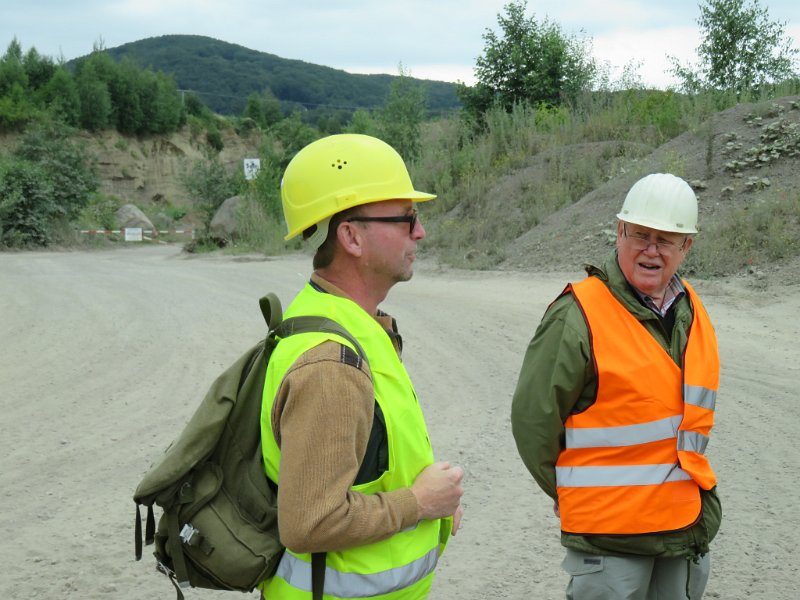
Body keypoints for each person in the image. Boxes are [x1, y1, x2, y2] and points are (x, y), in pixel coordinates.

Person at [258, 133, 464, 599]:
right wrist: (419, 503)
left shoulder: (356, 325)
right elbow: (310, 522)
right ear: (351, 236)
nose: (420, 232)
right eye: (407, 219)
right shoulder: (331, 365)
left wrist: (428, 503)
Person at [511, 173, 722, 600]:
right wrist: (568, 489)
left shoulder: (691, 309)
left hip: (684, 529)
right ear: (619, 231)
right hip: (611, 539)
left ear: (687, 247)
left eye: (666, 239)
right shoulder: (578, 313)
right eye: (640, 235)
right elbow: (533, 422)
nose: (651, 249)